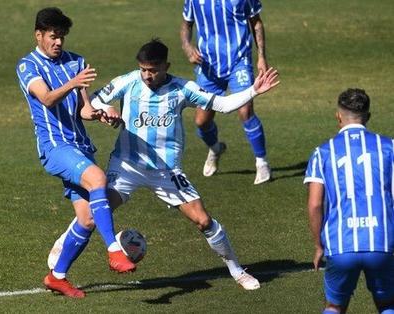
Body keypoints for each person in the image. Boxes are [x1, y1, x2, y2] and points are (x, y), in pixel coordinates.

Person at [48, 39, 280, 294]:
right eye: (143, 69)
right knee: (93, 214)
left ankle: (237, 271)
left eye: (153, 69)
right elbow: (92, 102)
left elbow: (222, 105)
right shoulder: (128, 81)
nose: (147, 75)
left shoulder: (183, 88)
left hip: (167, 172)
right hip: (127, 166)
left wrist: (253, 91)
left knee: (203, 221)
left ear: (166, 66)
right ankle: (62, 246)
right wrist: (108, 109)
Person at [15, 7, 135, 299]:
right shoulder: (27, 66)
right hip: (55, 147)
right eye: (53, 37)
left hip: (79, 146)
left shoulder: (75, 62)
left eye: (62, 38)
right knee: (97, 179)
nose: (58, 43)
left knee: (87, 219)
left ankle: (57, 276)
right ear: (39, 35)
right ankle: (114, 250)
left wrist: (104, 114)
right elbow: (46, 98)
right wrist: (72, 83)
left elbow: (84, 109)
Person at [304, 88, 394, 314]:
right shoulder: (389, 147)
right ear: (368, 116)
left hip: (341, 244)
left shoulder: (323, 152)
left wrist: (318, 245)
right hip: (382, 242)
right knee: (388, 305)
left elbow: (315, 204)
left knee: (334, 306)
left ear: (338, 116)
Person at [180, 0, 272, 184]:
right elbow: (186, 24)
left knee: (245, 111)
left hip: (239, 61)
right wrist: (187, 46)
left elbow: (256, 22)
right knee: (201, 121)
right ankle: (215, 148)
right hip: (207, 66)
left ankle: (262, 163)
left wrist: (261, 56)